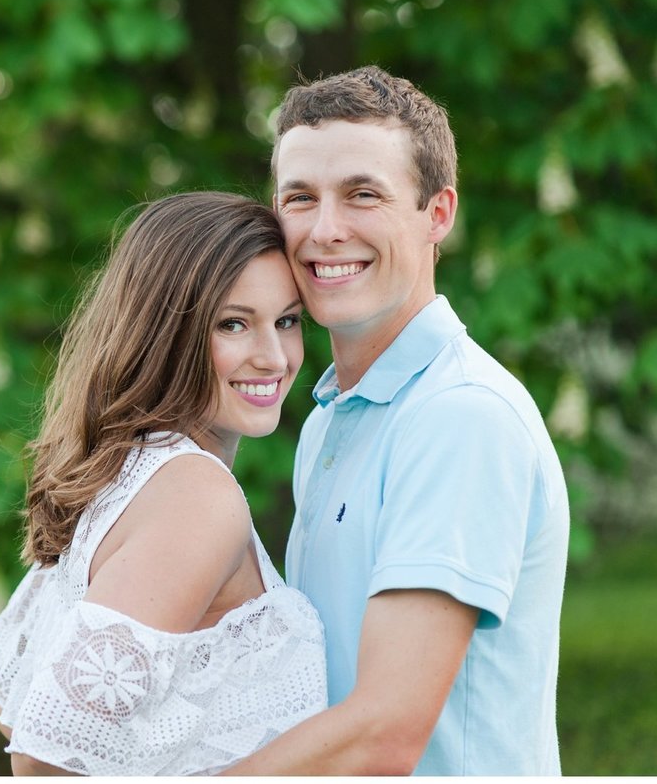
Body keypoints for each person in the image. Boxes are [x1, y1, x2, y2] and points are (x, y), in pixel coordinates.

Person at [223, 66, 570, 775]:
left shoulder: (460, 416)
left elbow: (385, 729)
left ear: (438, 214)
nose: (325, 230)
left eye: (363, 194)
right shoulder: (326, 420)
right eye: (300, 198)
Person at [0, 192, 327, 776]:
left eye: (287, 321)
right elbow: (43, 754)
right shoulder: (197, 499)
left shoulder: (128, 464)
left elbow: (2, 685)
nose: (274, 357)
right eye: (234, 324)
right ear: (167, 331)